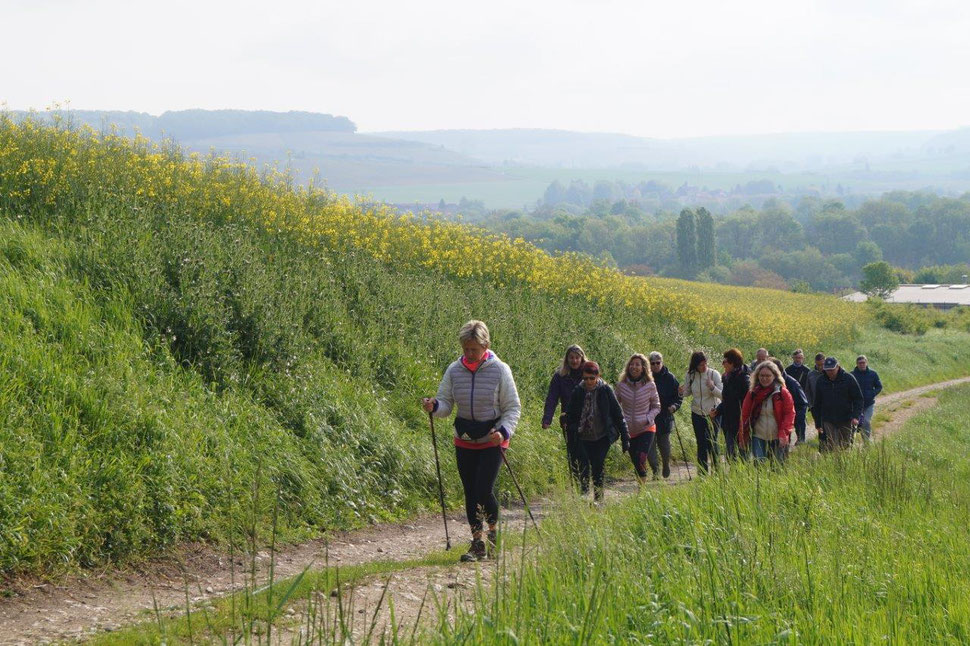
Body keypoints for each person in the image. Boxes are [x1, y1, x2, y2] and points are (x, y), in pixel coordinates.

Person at [422, 320, 521, 562]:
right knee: (470, 491)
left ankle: (493, 535)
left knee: (484, 489)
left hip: (492, 438)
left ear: (485, 345)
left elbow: (512, 408)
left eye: (474, 349)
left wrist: (505, 431)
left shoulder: (500, 370)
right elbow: (446, 404)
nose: (469, 354)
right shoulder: (454, 370)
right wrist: (434, 406)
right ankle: (477, 543)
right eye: (465, 349)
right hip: (465, 438)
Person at [565, 361, 630, 501]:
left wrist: (625, 437)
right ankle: (583, 494)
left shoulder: (606, 390)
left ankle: (598, 498)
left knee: (598, 465)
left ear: (598, 376)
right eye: (586, 378)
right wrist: (566, 420)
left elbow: (617, 413)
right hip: (582, 436)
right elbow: (571, 412)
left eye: (591, 378)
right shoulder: (578, 391)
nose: (588, 381)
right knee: (582, 465)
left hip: (602, 436)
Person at [542, 344, 587, 483]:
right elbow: (552, 398)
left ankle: (585, 482)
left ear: (582, 358)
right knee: (572, 452)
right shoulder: (560, 377)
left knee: (584, 452)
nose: (574, 361)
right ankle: (576, 483)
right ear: (567, 359)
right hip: (568, 420)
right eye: (571, 358)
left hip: (588, 419)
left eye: (577, 357)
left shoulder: (588, 374)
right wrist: (547, 418)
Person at [615, 354, 662, 483]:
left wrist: (648, 418)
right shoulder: (621, 385)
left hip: (647, 427)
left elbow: (656, 406)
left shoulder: (650, 385)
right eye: (632, 364)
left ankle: (641, 491)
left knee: (641, 457)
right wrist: (620, 421)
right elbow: (614, 405)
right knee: (636, 460)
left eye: (637, 364)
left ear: (643, 368)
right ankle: (642, 479)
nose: (634, 367)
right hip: (629, 430)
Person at [740, 361, 796, 463]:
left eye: (768, 376)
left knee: (777, 467)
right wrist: (743, 436)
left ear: (774, 376)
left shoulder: (782, 393)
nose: (764, 378)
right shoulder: (752, 393)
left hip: (778, 437)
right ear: (757, 376)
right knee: (759, 466)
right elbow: (745, 415)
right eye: (761, 375)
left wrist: (784, 433)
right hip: (758, 436)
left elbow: (790, 414)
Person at [679, 351, 722, 473]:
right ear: (695, 365)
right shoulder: (691, 375)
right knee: (701, 443)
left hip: (713, 413)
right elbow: (687, 393)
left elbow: (723, 395)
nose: (704, 367)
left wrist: (712, 387)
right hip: (697, 413)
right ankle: (702, 473)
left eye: (705, 363)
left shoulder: (714, 374)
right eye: (701, 365)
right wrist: (681, 391)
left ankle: (717, 471)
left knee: (712, 442)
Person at [813, 357, 864, 451]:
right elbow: (817, 403)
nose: (830, 372)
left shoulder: (848, 379)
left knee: (845, 445)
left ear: (838, 367)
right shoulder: (821, 381)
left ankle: (843, 463)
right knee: (831, 445)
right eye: (827, 370)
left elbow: (858, 399)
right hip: (828, 419)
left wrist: (856, 416)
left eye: (832, 370)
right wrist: (818, 423)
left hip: (846, 418)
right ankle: (833, 463)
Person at [649, 351, 682, 478]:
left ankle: (666, 463)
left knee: (664, 445)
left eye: (658, 363)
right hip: (649, 416)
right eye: (653, 363)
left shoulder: (670, 378)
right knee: (650, 446)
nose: (656, 365)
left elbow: (678, 396)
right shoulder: (646, 377)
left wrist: (674, 406)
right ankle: (655, 469)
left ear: (662, 363)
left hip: (665, 416)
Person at [717, 348, 750, 461]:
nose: (723, 364)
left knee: (742, 454)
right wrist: (717, 410)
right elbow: (726, 400)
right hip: (728, 422)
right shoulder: (727, 378)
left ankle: (742, 477)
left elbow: (747, 402)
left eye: (725, 362)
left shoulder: (744, 379)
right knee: (730, 454)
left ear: (732, 363)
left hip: (741, 423)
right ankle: (733, 475)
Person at [771, 357, 810, 445]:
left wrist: (795, 419)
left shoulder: (792, 383)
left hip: (792, 414)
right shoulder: (768, 383)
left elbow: (802, 403)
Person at [850, 355, 883, 442]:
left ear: (866, 363)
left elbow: (879, 387)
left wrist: (871, 394)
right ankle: (850, 443)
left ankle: (866, 443)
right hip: (855, 405)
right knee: (853, 424)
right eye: (860, 363)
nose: (862, 364)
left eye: (863, 362)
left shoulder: (873, 374)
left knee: (866, 422)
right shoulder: (852, 375)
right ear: (857, 364)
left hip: (868, 404)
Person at [785, 349, 811, 443]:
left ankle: (801, 438)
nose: (798, 360)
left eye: (800, 358)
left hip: (802, 399)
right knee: (792, 419)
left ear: (803, 358)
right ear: (793, 358)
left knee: (801, 419)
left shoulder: (807, 371)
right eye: (796, 358)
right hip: (790, 398)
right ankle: (789, 439)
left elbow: (809, 386)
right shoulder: (788, 370)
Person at [805, 352, 826, 448]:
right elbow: (807, 391)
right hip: (815, 406)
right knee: (820, 427)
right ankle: (822, 448)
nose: (821, 367)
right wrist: (811, 405)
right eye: (818, 365)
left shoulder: (829, 373)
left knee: (828, 426)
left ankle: (831, 446)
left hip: (828, 405)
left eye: (822, 364)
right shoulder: (811, 374)